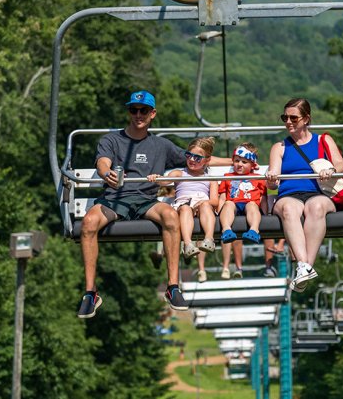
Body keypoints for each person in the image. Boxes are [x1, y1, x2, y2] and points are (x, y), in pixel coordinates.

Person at [76, 90, 230, 318]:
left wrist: (237, 162)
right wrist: (106, 172)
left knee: (170, 216)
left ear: (152, 114)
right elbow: (103, 161)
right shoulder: (112, 139)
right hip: (115, 199)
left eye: (143, 110)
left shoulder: (161, 145)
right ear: (129, 112)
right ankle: (90, 292)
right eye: (134, 110)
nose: (138, 114)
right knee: (88, 223)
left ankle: (173, 286)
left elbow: (198, 158)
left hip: (147, 201)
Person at [265, 98, 343, 292]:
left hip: (317, 193)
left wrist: (331, 170)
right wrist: (271, 179)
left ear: (306, 119)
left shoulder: (323, 141)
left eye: (293, 117)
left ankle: (303, 267)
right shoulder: (280, 147)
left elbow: (341, 164)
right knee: (288, 209)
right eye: (285, 117)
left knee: (316, 207)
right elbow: (273, 177)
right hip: (289, 194)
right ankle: (304, 266)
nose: (288, 122)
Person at [149, 137, 219, 283]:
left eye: (197, 157)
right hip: (184, 205)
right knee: (186, 209)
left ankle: (209, 239)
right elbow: (164, 181)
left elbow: (214, 201)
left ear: (206, 160)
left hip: (201, 205)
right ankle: (188, 244)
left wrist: (202, 203)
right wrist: (156, 178)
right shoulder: (179, 173)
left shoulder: (210, 178)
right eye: (189, 155)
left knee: (207, 206)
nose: (192, 160)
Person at [217, 143, 267, 279]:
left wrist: (267, 213)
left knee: (252, 205)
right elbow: (222, 197)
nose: (239, 164)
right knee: (228, 204)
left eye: (244, 162)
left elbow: (263, 198)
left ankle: (254, 229)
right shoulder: (227, 176)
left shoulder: (258, 178)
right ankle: (226, 229)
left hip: (250, 204)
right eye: (237, 161)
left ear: (252, 165)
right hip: (233, 204)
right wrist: (219, 211)